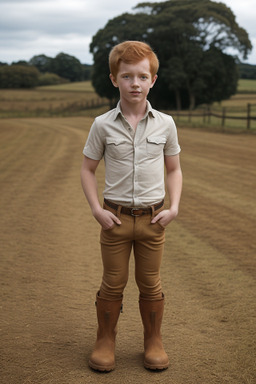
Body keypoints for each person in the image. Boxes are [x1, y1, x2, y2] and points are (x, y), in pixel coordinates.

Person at [80, 40, 182, 372]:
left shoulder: (165, 123)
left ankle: (153, 341)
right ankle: (105, 341)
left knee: (150, 282)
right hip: (116, 221)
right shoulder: (102, 124)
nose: (134, 84)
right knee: (113, 281)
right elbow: (87, 169)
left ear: (153, 79)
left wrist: (175, 206)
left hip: (153, 221)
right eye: (126, 76)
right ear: (114, 79)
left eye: (141, 76)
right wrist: (97, 209)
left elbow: (174, 169)